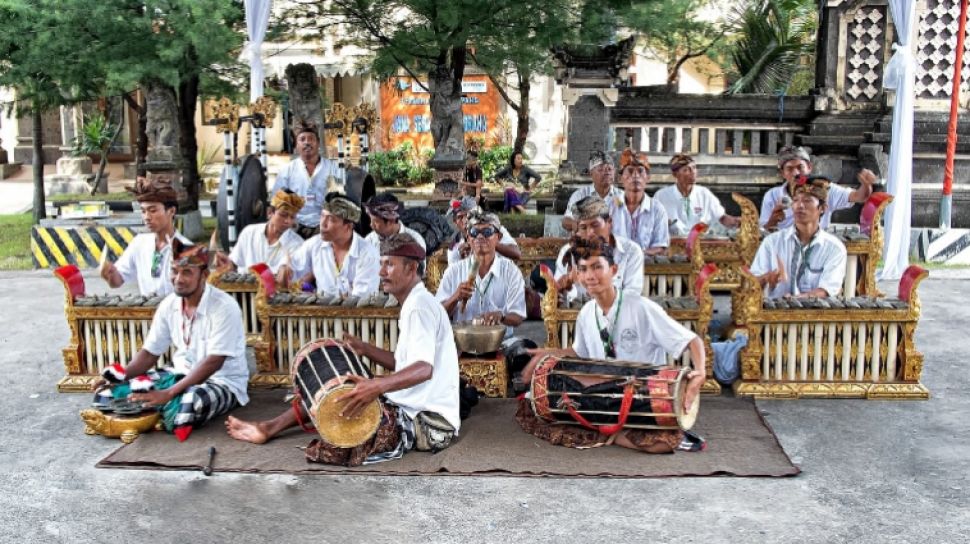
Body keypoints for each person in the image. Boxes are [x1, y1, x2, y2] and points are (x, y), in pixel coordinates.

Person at [226, 233, 461, 466]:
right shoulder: (414, 303)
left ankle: (268, 428)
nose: (381, 273)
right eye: (381, 264)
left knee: (345, 423)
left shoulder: (419, 307)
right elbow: (406, 364)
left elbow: (423, 370)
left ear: (411, 269)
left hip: (430, 424)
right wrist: (364, 349)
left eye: (389, 265)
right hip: (412, 407)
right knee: (339, 389)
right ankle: (269, 427)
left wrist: (376, 385)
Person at [519, 237, 706, 453]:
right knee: (542, 404)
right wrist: (546, 354)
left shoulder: (641, 307)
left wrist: (700, 372)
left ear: (614, 270)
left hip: (644, 395)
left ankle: (606, 432)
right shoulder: (587, 313)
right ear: (578, 276)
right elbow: (579, 353)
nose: (590, 275)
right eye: (584, 269)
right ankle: (614, 432)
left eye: (598, 267)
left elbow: (693, 340)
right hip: (606, 394)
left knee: (661, 445)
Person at [92, 240, 249, 442]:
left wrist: (168, 393)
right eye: (174, 271)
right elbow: (149, 353)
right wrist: (119, 377)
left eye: (187, 273)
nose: (178, 279)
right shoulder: (169, 304)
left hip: (222, 381)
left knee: (190, 403)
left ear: (204, 275)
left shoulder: (225, 307)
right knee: (106, 395)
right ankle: (161, 414)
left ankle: (153, 412)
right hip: (178, 374)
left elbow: (214, 362)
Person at [750, 175, 847, 299]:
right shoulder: (772, 242)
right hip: (775, 314)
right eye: (795, 200)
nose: (799, 206)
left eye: (807, 201)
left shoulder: (835, 248)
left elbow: (827, 290)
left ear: (822, 208)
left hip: (816, 315)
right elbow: (752, 283)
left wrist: (796, 299)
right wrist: (766, 279)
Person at [436, 211, 526, 334]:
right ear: (468, 238)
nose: (480, 237)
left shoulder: (511, 272)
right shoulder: (454, 271)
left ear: (498, 237)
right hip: (463, 343)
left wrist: (502, 316)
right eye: (474, 233)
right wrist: (455, 297)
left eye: (487, 232)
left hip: (501, 343)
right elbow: (437, 314)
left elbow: (518, 317)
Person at [100, 177, 191, 296]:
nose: (147, 217)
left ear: (171, 211)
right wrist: (110, 274)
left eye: (153, 211)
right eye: (143, 211)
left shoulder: (186, 249)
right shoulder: (139, 243)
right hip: (147, 312)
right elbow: (117, 282)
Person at [278, 193, 380, 298]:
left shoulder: (368, 253)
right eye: (322, 216)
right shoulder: (314, 245)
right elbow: (291, 268)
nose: (323, 223)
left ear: (348, 226)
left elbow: (363, 300)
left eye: (331, 219)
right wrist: (284, 269)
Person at [760, 145, 876, 231]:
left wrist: (866, 185)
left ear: (809, 167)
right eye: (790, 169)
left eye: (800, 167)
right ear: (782, 173)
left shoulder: (825, 189)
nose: (796, 173)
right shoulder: (772, 196)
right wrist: (773, 220)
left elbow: (859, 196)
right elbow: (763, 230)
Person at [555, 195, 643, 303]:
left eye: (595, 225)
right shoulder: (568, 252)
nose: (590, 233)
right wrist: (563, 286)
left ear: (609, 222)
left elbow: (631, 298)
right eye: (583, 227)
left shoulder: (631, 252)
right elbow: (558, 294)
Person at [271, 125, 344, 238]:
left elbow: (337, 199)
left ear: (318, 143)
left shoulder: (332, 168)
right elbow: (278, 202)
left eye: (311, 139)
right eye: (302, 139)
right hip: (294, 227)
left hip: (324, 226)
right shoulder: (287, 170)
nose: (307, 143)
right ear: (296, 145)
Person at [213, 189, 305, 273]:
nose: (288, 221)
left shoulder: (297, 244)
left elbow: (284, 276)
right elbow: (234, 264)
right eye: (283, 215)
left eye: (292, 217)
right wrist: (226, 263)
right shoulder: (249, 233)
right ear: (270, 213)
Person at [654, 154, 740, 236]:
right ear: (675, 174)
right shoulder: (661, 196)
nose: (693, 172)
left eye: (694, 168)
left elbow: (721, 217)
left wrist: (735, 221)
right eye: (686, 170)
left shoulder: (704, 194)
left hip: (700, 244)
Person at [611, 152, 669, 255]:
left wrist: (636, 256)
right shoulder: (611, 205)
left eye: (640, 171)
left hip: (646, 266)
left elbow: (660, 247)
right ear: (620, 178)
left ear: (648, 178)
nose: (635, 176)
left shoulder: (656, 209)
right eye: (630, 171)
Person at [561, 151, 624, 233]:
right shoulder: (580, 195)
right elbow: (566, 221)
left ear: (614, 172)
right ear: (591, 174)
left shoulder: (621, 196)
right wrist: (579, 226)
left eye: (610, 169)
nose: (607, 173)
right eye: (601, 169)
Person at [446, 196, 521, 264]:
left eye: (468, 215)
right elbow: (455, 274)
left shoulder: (495, 229)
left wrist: (491, 243)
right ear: (455, 222)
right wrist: (462, 258)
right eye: (460, 217)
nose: (465, 220)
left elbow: (516, 254)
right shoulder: (455, 245)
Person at [362, 192, 427, 257]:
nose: (371, 225)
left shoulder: (416, 242)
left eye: (376, 221)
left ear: (391, 220)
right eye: (371, 220)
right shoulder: (370, 240)